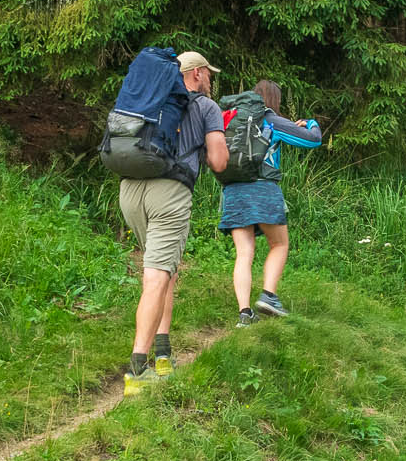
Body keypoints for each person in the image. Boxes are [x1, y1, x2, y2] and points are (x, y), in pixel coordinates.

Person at [120, 51, 227, 395]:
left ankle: (163, 353)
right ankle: (138, 369)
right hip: (169, 193)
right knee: (156, 277)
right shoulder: (206, 107)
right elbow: (218, 161)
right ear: (195, 74)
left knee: (165, 270)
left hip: (130, 188)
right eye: (208, 74)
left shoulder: (149, 98)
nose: (210, 80)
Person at [221, 79, 322, 327]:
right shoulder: (270, 120)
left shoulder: (230, 120)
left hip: (233, 190)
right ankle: (268, 296)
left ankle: (244, 313)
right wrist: (310, 123)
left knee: (244, 252)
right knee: (279, 243)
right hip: (264, 188)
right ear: (274, 100)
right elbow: (313, 140)